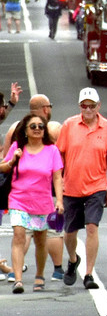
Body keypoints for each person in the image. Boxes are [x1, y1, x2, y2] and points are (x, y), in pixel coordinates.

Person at [57, 87, 107, 290]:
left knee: (92, 227)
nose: (88, 109)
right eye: (84, 106)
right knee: (70, 232)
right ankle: (73, 260)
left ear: (98, 106)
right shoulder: (69, 125)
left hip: (96, 185)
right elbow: (60, 157)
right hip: (72, 186)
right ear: (79, 107)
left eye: (92, 106)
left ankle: (89, 273)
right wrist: (58, 188)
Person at [3, 94, 65, 281]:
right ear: (46, 109)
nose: (38, 129)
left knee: (34, 235)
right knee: (27, 233)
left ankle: (29, 272)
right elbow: (6, 161)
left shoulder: (13, 128)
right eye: (34, 127)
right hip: (25, 195)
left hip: (43, 195)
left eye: (40, 127)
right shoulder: (55, 129)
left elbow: (4, 154)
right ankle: (55, 269)